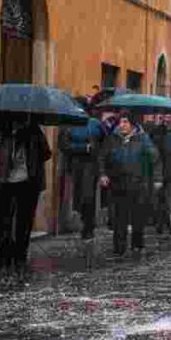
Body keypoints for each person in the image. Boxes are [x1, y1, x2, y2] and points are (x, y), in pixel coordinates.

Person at [0, 117, 52, 280]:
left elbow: (46, 153)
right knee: (3, 221)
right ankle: (4, 259)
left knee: (24, 222)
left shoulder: (34, 131)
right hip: (4, 181)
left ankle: (20, 258)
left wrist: (32, 145)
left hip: (28, 182)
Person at [98, 112, 160, 257]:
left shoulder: (142, 139)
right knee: (119, 217)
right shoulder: (112, 139)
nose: (122, 125)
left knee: (138, 216)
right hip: (118, 182)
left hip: (137, 182)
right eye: (120, 122)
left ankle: (137, 244)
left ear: (132, 124)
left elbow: (155, 157)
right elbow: (102, 157)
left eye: (125, 122)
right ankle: (119, 247)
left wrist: (157, 177)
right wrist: (103, 174)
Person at [59, 101, 105, 242]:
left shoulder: (95, 124)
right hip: (75, 164)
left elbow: (104, 144)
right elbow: (63, 145)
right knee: (79, 197)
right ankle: (85, 222)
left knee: (88, 196)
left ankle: (88, 227)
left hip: (91, 165)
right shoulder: (68, 126)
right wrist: (83, 148)